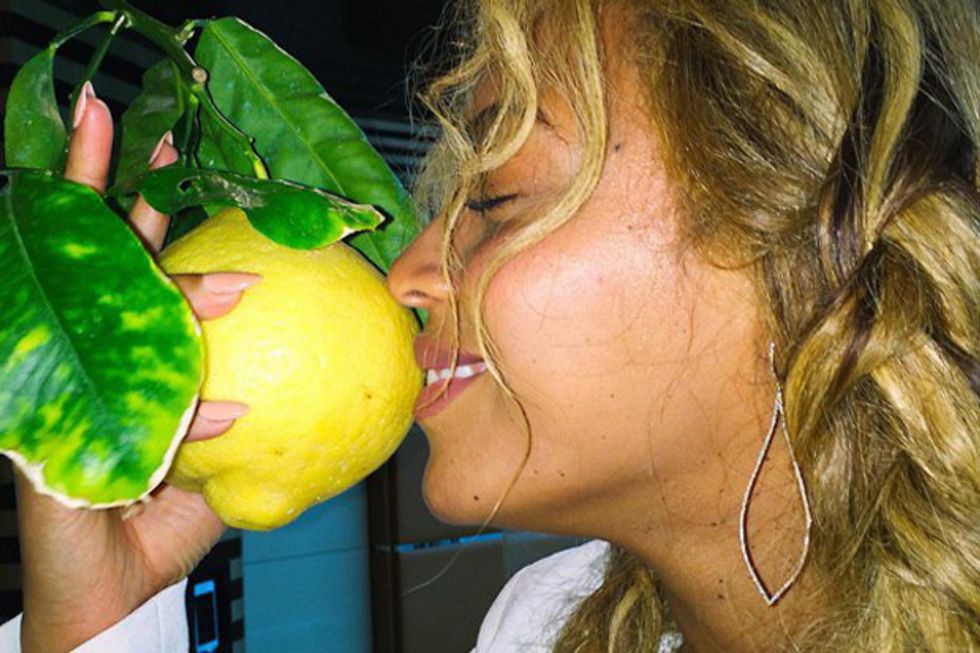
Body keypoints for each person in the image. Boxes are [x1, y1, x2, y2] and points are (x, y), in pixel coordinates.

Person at [3, 0, 978, 650]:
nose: (405, 276)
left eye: (499, 198)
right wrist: (96, 621)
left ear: (816, 249)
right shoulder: (536, 625)